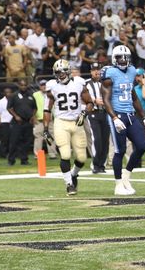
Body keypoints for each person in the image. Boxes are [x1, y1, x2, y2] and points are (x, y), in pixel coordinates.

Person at [101, 45, 145, 196]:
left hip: (130, 114)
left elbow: (133, 96)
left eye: (125, 57)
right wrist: (114, 118)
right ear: (114, 58)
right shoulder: (109, 73)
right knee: (120, 151)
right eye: (119, 57)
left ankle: (126, 177)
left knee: (142, 146)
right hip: (118, 115)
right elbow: (105, 99)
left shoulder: (132, 71)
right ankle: (118, 185)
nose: (123, 60)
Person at [44, 59, 93, 196]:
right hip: (61, 122)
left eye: (63, 71)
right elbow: (47, 109)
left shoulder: (78, 83)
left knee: (82, 158)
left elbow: (90, 102)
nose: (61, 74)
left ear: (69, 71)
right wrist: (46, 129)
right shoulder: (52, 86)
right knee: (65, 154)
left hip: (77, 122)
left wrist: (84, 113)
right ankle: (69, 184)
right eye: (58, 72)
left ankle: (73, 174)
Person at [85, 62, 110, 173]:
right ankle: (95, 164)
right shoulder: (86, 84)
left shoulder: (105, 83)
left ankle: (102, 165)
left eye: (98, 70)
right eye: (94, 70)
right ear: (91, 72)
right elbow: (83, 98)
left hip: (104, 113)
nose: (96, 72)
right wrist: (94, 100)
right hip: (93, 113)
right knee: (97, 139)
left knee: (105, 141)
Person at [7, 80, 37, 165]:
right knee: (14, 141)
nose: (23, 87)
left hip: (28, 122)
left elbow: (35, 108)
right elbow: (9, 108)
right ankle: (11, 160)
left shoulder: (31, 95)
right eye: (22, 85)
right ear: (19, 86)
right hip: (18, 122)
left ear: (27, 86)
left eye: (25, 85)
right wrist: (16, 116)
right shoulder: (14, 95)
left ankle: (24, 159)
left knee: (27, 141)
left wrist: (33, 116)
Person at [32, 80, 57, 159]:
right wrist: (33, 117)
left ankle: (52, 153)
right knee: (38, 137)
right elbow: (32, 106)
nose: (44, 86)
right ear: (39, 86)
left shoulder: (51, 94)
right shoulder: (35, 95)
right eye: (42, 85)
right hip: (39, 119)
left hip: (50, 118)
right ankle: (38, 154)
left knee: (50, 136)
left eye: (45, 85)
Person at [0, 87, 13, 158]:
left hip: (13, 122)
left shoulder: (13, 100)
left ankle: (13, 153)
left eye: (10, 92)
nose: (8, 93)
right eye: (7, 92)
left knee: (13, 139)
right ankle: (3, 154)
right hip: (4, 123)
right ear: (4, 93)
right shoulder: (0, 102)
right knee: (4, 140)